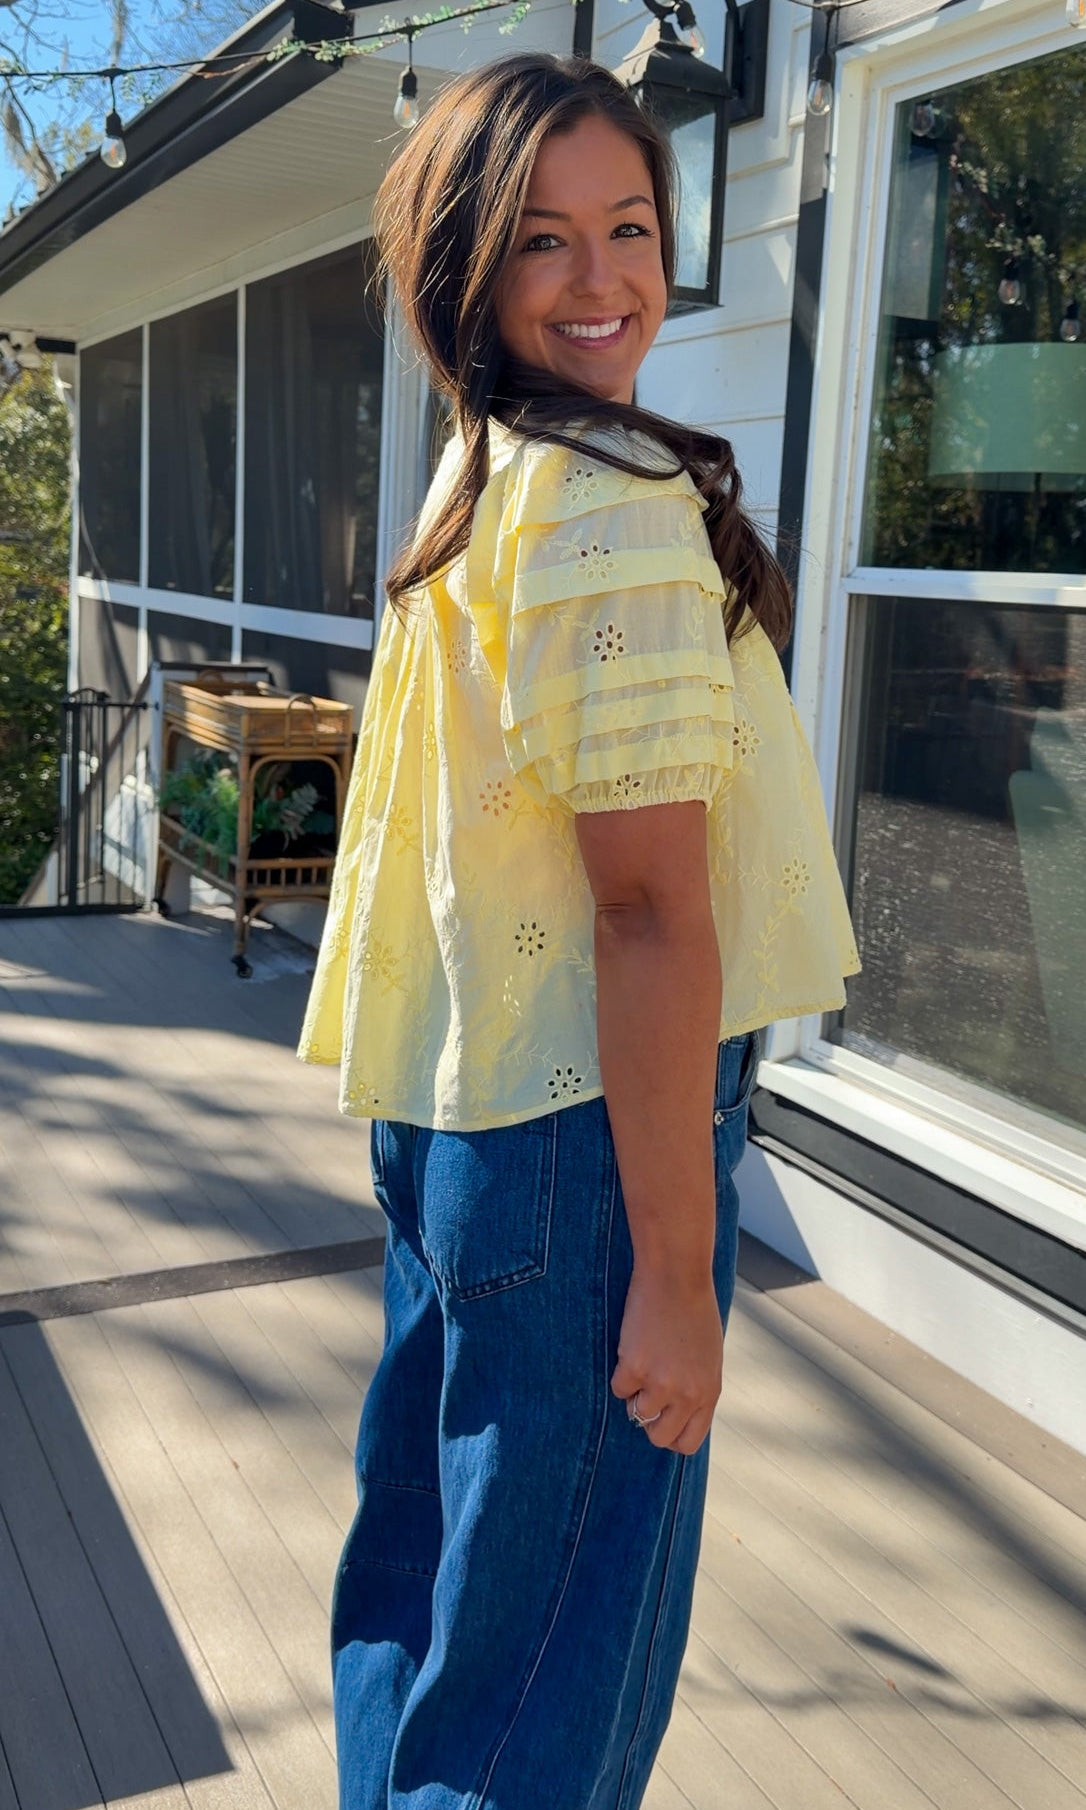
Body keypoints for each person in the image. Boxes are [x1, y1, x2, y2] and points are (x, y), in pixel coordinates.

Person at [298, 50, 860, 1810]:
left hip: (463, 1115)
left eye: (631, 226)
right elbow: (640, 916)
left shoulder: (486, 469)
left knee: (426, 1605)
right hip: (582, 1150)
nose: (606, 277)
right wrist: (682, 1284)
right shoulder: (602, 501)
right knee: (543, 1695)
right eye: (544, 242)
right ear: (465, 268)